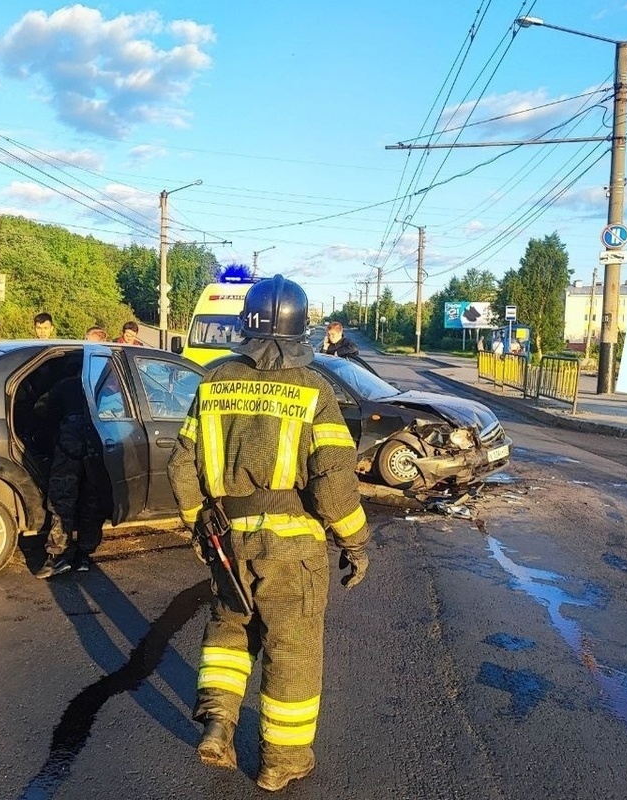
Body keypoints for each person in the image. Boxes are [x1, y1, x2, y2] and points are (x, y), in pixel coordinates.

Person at [168, 275, 370, 792]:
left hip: (227, 540)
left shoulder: (213, 381)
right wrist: (354, 540)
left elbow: (182, 463)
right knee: (292, 646)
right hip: (291, 548)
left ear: (246, 326)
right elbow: (332, 482)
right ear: (301, 329)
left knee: (230, 630)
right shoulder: (314, 390)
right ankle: (282, 759)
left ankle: (218, 722)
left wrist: (198, 523)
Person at [34, 371, 108, 578]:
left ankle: (57, 556)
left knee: (62, 500)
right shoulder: (105, 386)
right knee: (92, 500)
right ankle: (83, 555)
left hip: (69, 445)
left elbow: (43, 413)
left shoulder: (63, 385)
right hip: (98, 443)